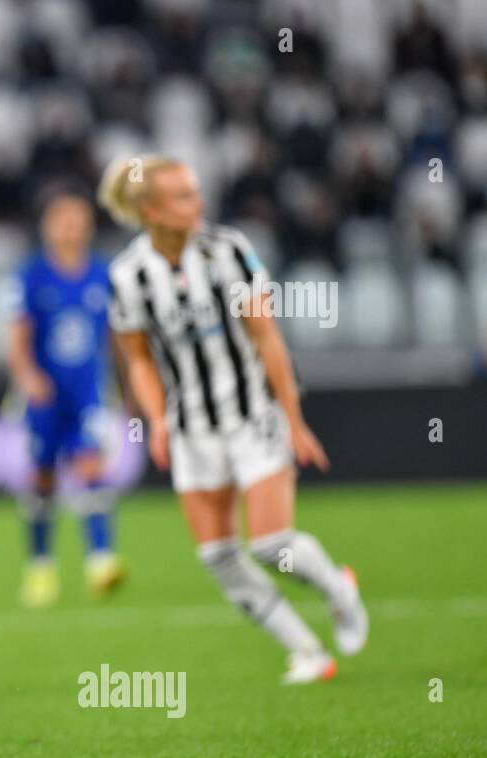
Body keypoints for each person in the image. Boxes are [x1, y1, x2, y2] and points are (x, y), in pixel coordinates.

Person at [98, 154, 367, 685]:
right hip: (193, 427)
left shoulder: (230, 252)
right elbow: (139, 359)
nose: (198, 204)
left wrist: (293, 418)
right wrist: (156, 420)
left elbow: (267, 338)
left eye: (196, 192)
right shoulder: (128, 276)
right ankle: (307, 651)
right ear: (149, 209)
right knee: (219, 555)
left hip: (251, 417)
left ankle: (338, 588)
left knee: (271, 544)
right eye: (183, 196)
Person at [7, 187, 126, 607]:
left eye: (78, 219)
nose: (71, 228)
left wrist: (120, 384)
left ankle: (101, 560)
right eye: (63, 219)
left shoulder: (102, 275)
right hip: (45, 393)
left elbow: (115, 338)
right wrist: (27, 377)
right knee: (43, 478)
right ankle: (40, 567)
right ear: (48, 226)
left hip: (88, 390)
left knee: (92, 465)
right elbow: (17, 337)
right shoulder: (31, 275)